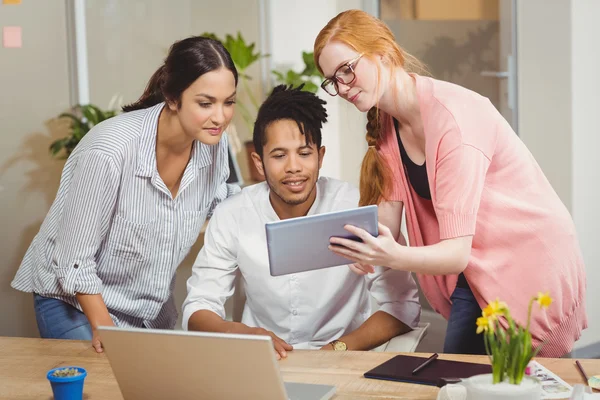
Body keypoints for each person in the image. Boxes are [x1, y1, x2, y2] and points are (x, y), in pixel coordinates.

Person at [313, 9, 587, 357]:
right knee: (463, 380)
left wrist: (393, 255)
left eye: (346, 70)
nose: (342, 87)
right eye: (331, 81)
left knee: (515, 383)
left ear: (381, 54)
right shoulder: (387, 124)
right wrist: (361, 246)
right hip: (473, 265)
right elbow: (387, 221)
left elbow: (455, 254)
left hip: (525, 260)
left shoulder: (455, 120)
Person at [11, 36, 240, 352]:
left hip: (147, 309)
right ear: (173, 98)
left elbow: (225, 208)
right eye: (206, 103)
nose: (220, 117)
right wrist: (109, 334)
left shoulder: (214, 145)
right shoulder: (110, 149)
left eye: (228, 102)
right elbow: (73, 260)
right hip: (74, 301)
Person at [182, 85, 421, 359]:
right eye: (279, 155)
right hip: (262, 360)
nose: (293, 167)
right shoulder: (232, 214)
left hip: (344, 357)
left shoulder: (358, 206)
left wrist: (337, 349)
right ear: (259, 163)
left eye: (304, 153)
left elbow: (402, 306)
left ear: (320, 157)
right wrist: (239, 333)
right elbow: (199, 304)